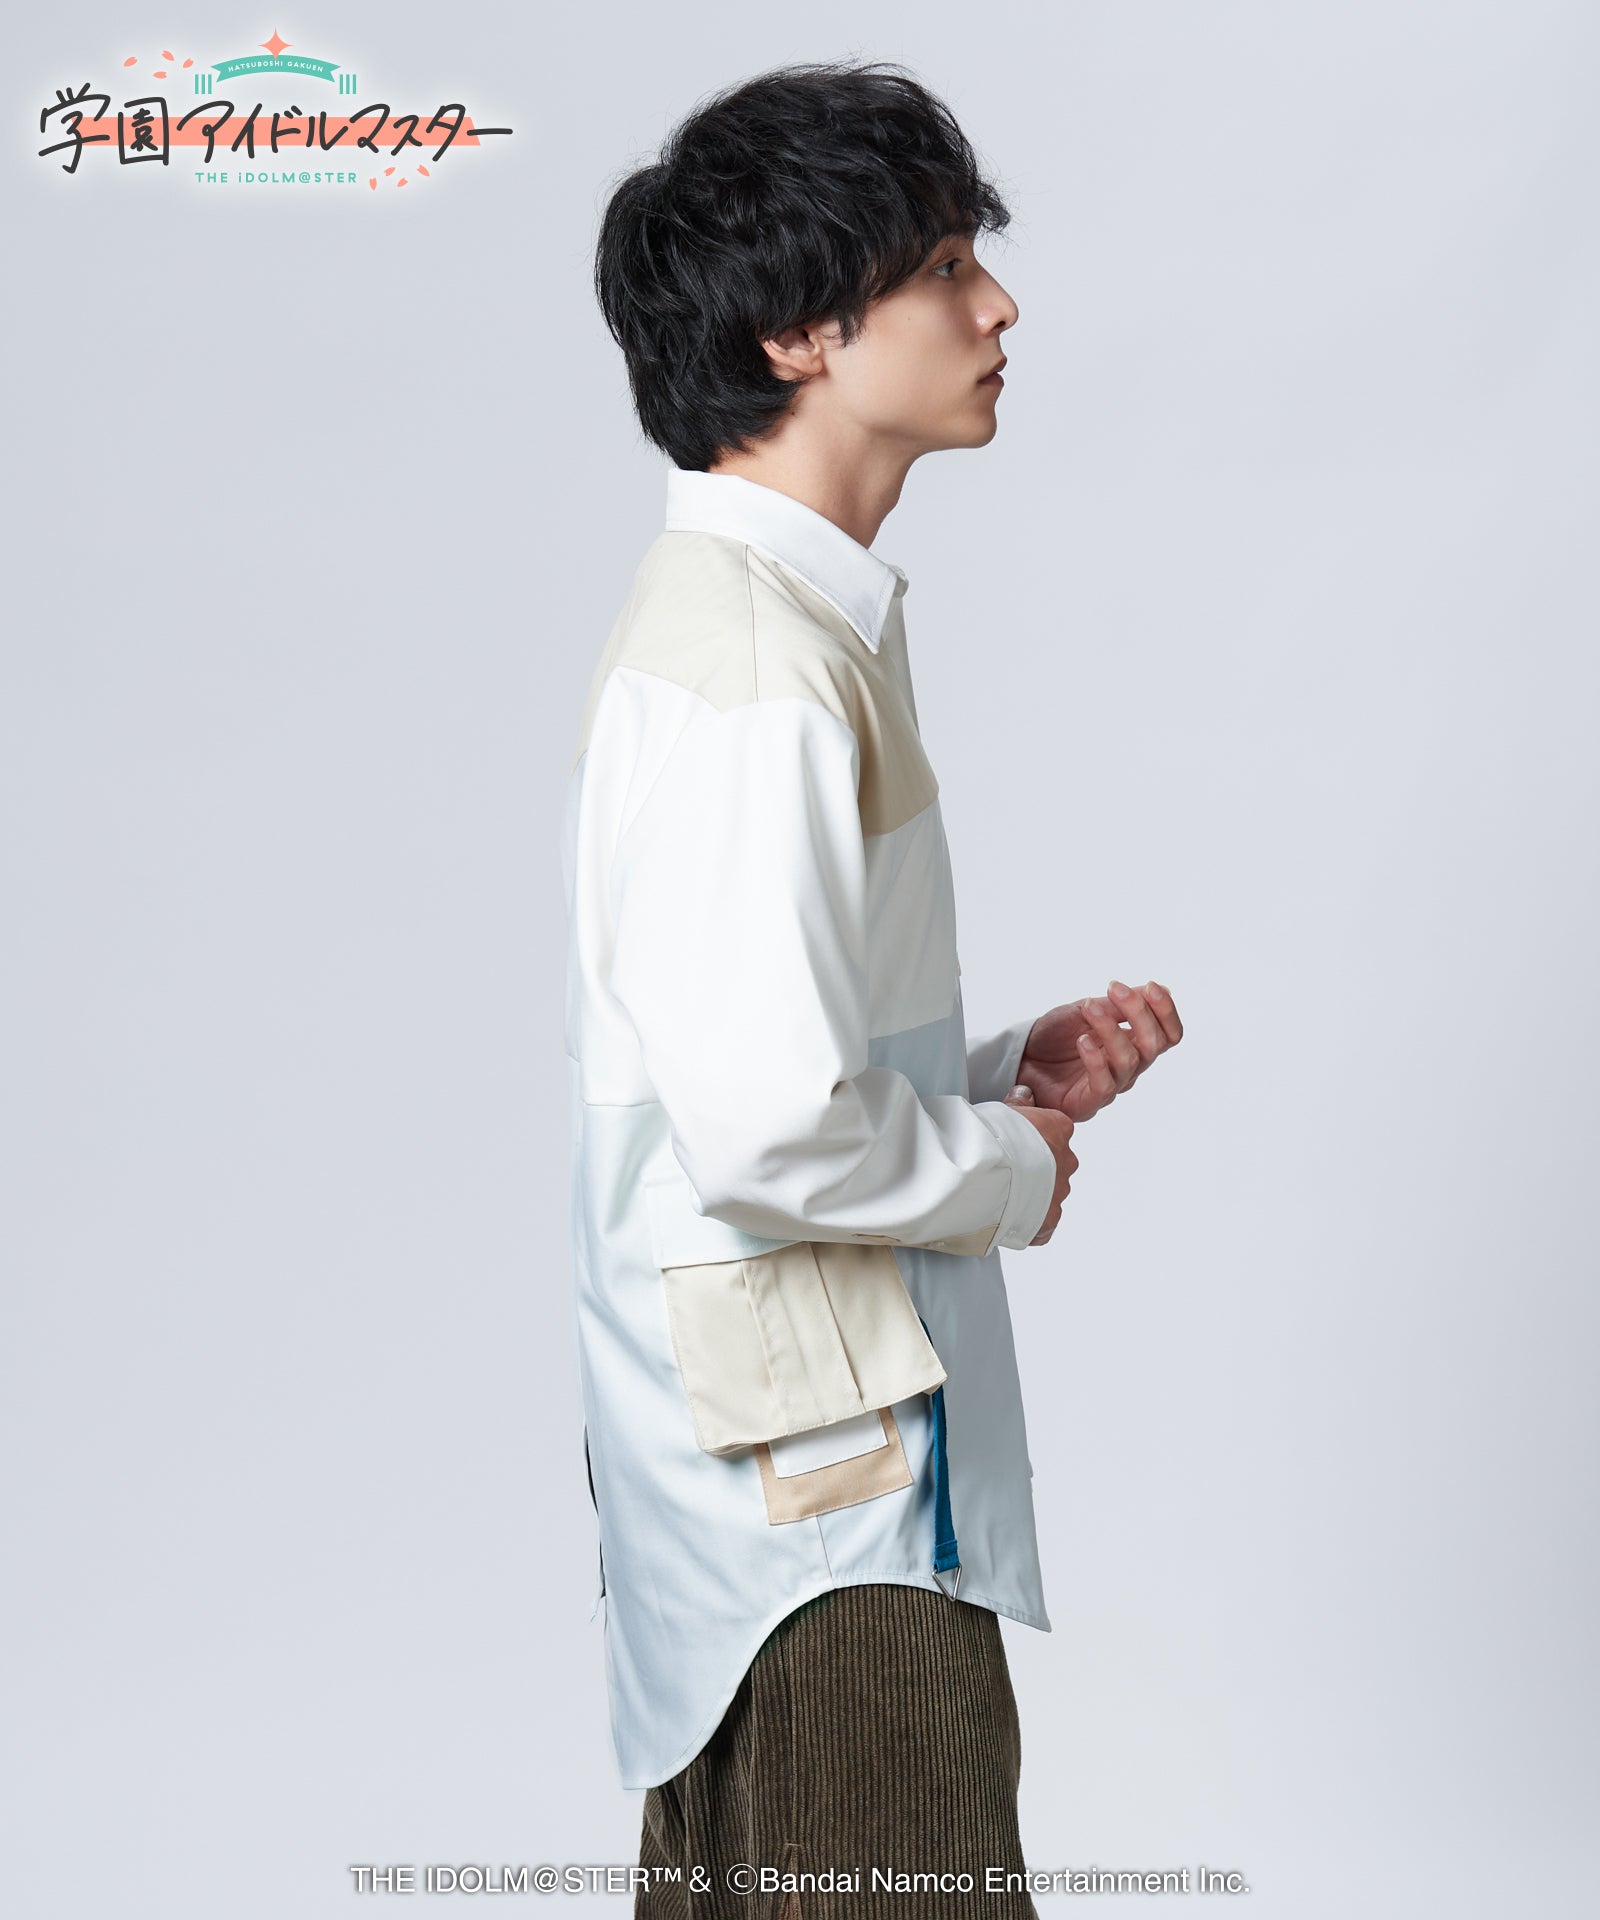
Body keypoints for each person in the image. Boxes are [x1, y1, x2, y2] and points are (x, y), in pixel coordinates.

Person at [566, 58, 1183, 1916]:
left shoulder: (777, 631)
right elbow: (765, 1134)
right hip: (821, 1528)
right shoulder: (760, 671)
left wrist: (993, 1073)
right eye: (943, 267)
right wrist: (1010, 1166)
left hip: (785, 1485)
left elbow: (750, 1066)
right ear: (796, 334)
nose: (999, 308)